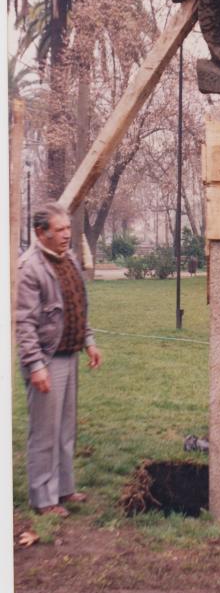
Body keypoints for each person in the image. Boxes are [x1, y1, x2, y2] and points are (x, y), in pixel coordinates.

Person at [16, 202, 102, 517]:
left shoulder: (70, 260)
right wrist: (35, 366)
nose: (67, 235)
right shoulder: (29, 268)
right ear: (41, 233)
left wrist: (89, 341)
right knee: (45, 431)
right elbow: (23, 324)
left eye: (68, 228)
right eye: (60, 230)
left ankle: (64, 489)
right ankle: (43, 499)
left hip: (70, 354)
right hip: (46, 359)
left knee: (66, 428)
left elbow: (78, 303)